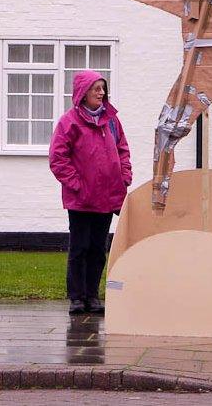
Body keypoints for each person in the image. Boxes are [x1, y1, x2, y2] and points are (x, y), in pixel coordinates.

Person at [50, 70, 132, 315]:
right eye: (96, 88)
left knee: (98, 249)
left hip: (107, 198)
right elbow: (58, 159)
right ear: (83, 93)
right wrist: (77, 185)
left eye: (102, 88)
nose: (101, 93)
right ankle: (77, 297)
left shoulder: (112, 121)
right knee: (80, 248)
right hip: (81, 199)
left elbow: (123, 150)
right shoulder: (69, 122)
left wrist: (124, 176)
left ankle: (92, 296)